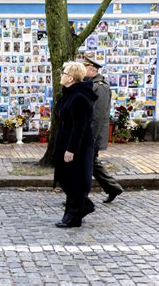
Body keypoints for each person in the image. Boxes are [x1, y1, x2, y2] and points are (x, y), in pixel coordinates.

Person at [53, 61, 97, 228]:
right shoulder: (69, 93)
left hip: (77, 144)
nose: (62, 76)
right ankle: (82, 206)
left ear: (71, 77)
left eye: (64, 73)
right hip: (66, 141)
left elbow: (80, 126)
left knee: (74, 180)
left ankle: (74, 216)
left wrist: (71, 149)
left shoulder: (79, 97)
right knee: (65, 178)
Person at [83, 56, 124, 203]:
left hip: (93, 134)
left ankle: (80, 197)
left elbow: (98, 115)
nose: (83, 70)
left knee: (88, 164)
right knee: (91, 164)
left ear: (92, 70)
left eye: (85, 68)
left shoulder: (100, 86)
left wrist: (91, 138)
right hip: (88, 133)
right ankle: (113, 188)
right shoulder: (90, 83)